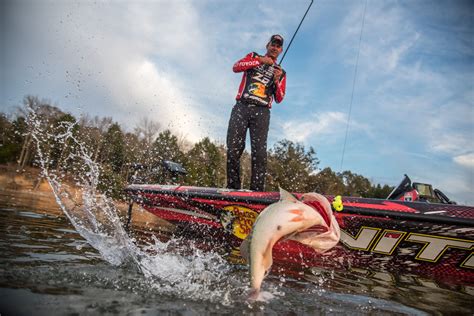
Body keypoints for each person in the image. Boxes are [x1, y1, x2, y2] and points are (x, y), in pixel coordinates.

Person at [226, 34, 287, 191]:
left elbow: (280, 98)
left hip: (262, 111)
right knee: (233, 147)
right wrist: (260, 61)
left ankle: (257, 192)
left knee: (259, 153)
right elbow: (236, 67)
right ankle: (233, 187)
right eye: (273, 44)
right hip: (242, 106)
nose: (275, 47)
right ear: (267, 45)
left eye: (278, 46)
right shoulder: (254, 56)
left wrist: (276, 80)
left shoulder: (281, 72)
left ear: (280, 50)